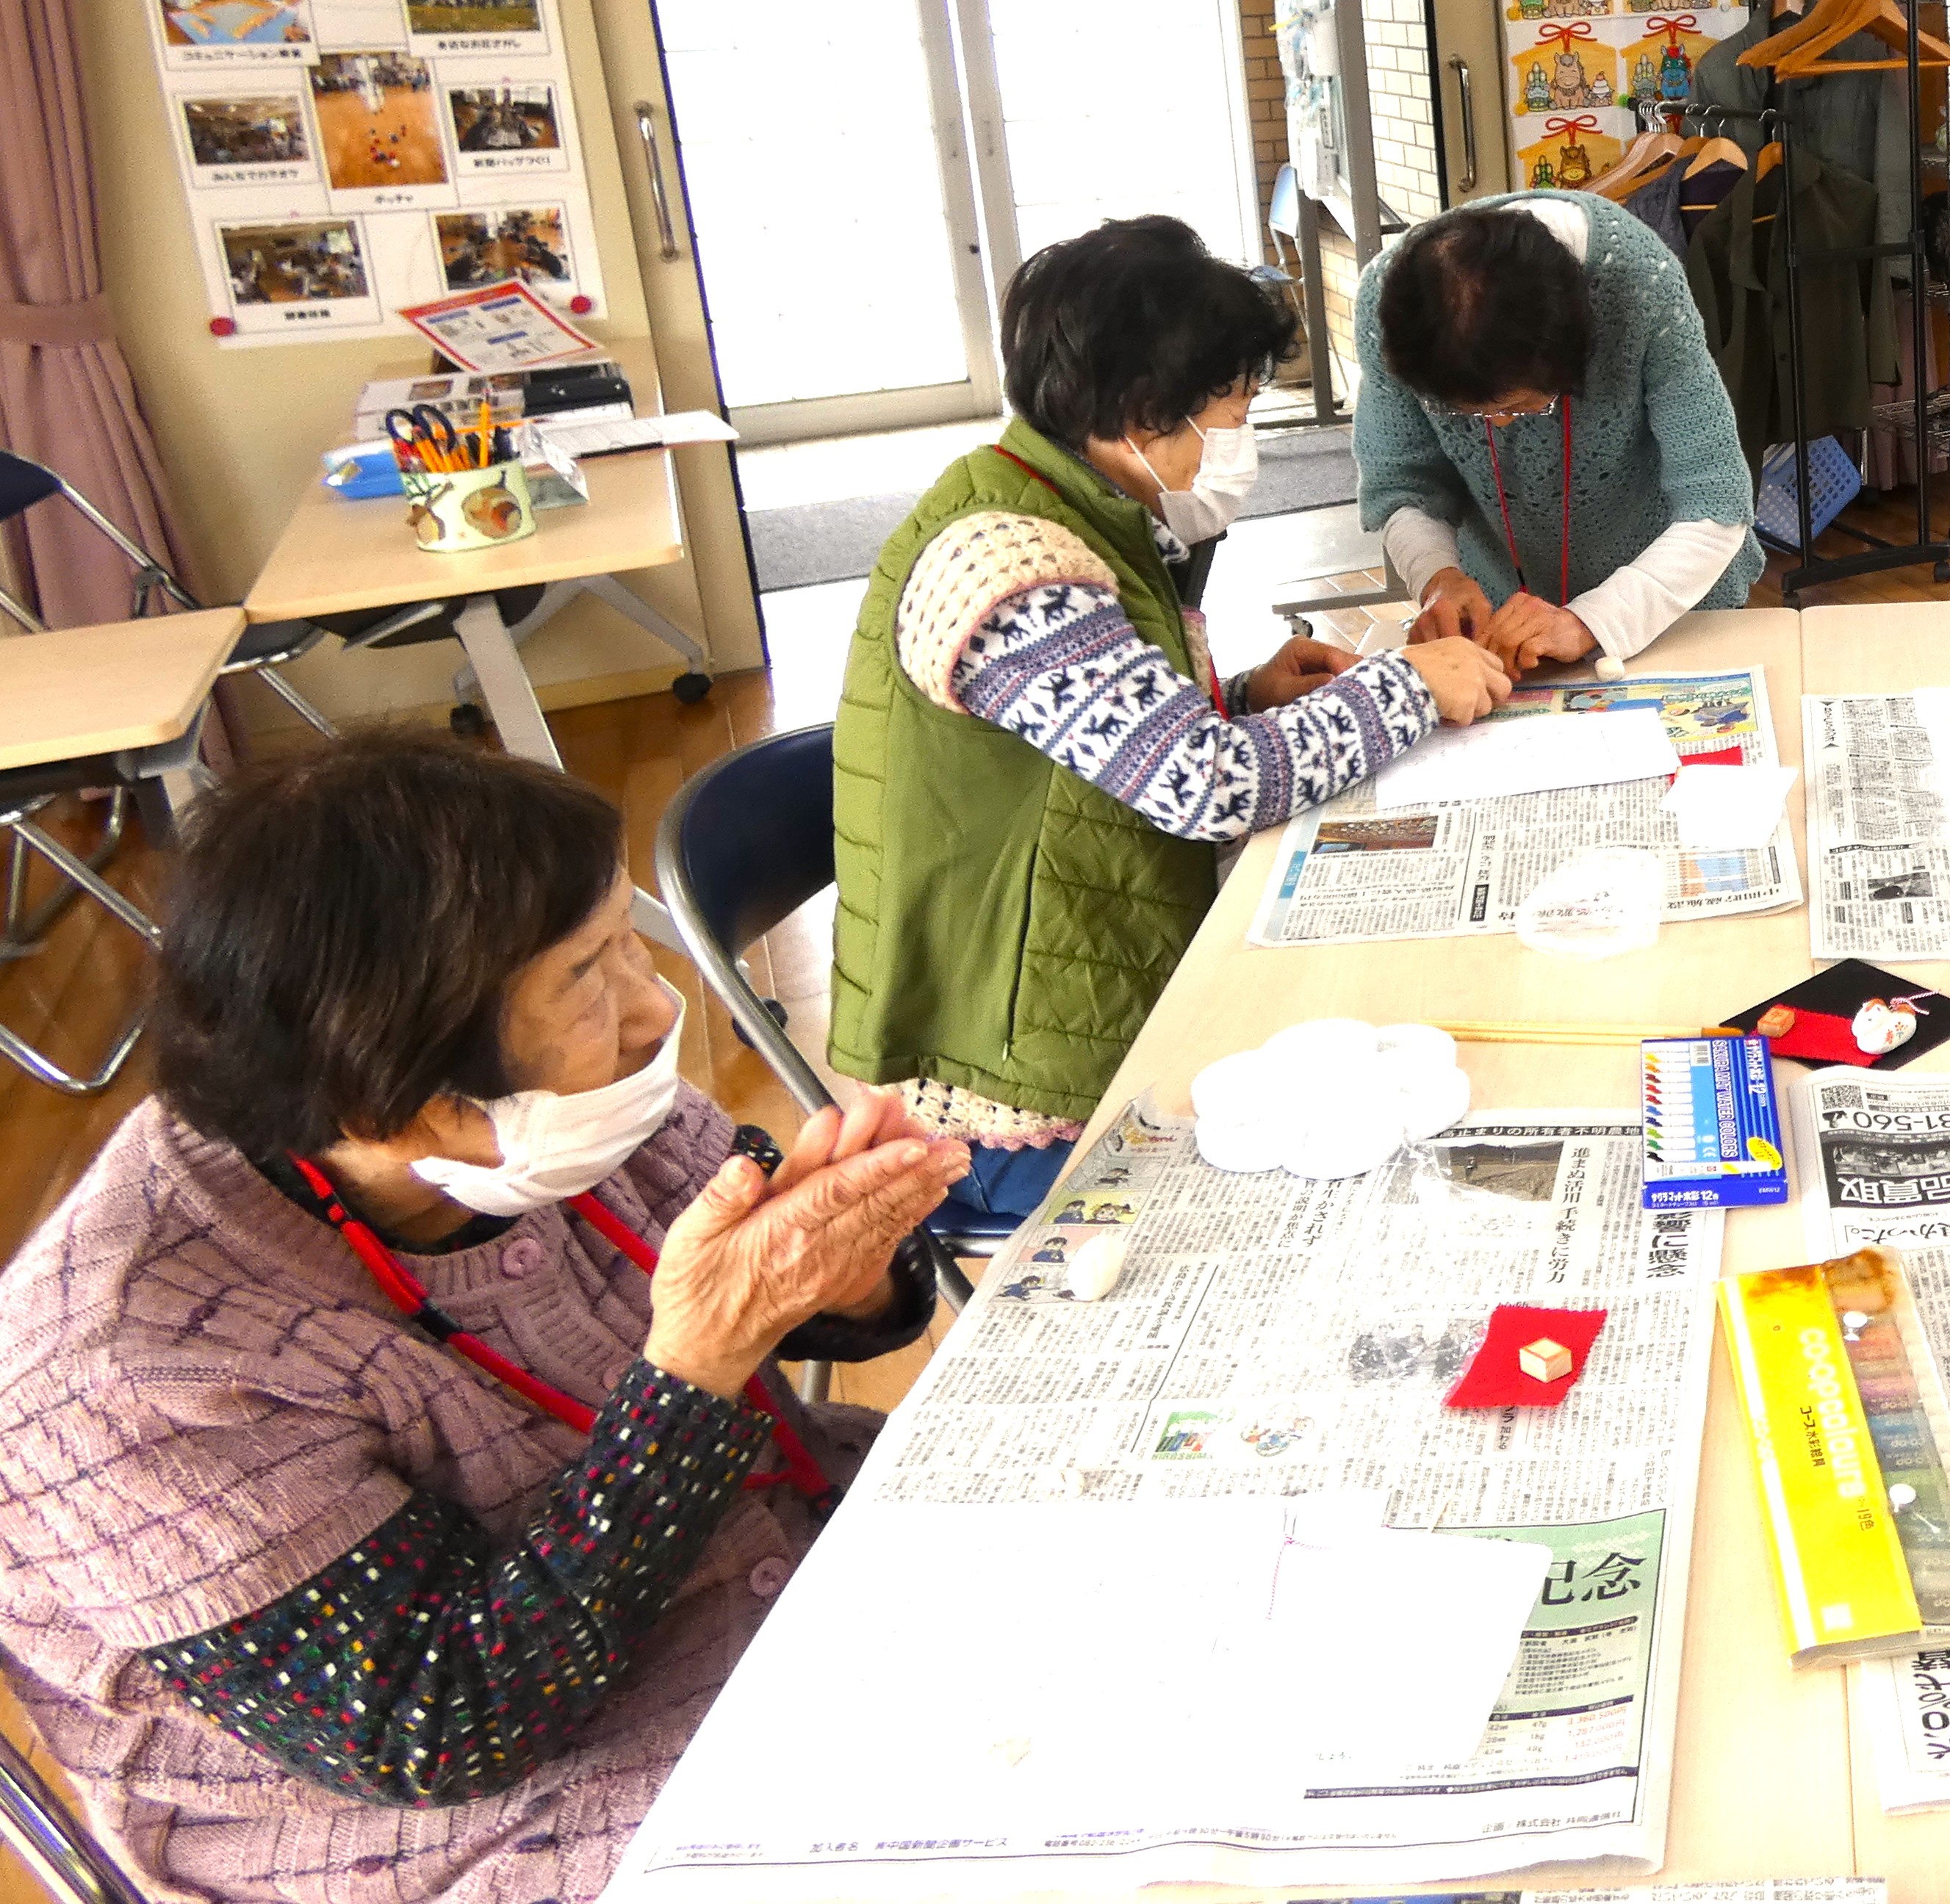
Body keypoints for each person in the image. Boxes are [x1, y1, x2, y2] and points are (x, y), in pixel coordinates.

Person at [0, 735, 970, 1903]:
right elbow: (446, 1724)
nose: (653, 1007)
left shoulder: (544, 1117)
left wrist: (845, 1269)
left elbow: (807, 1311)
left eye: (625, 940)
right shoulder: (118, 1372)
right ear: (394, 1100)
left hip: (779, 1571)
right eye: (587, 974)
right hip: (491, 1820)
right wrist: (698, 1364)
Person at [832, 217, 1508, 1216]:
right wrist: (1407, 686)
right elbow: (1203, 785)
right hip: (1006, 1096)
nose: (1242, 440)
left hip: (1076, 990)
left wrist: (1242, 698)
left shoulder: (1067, 503)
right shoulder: (1007, 568)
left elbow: (1101, 742)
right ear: (1144, 416)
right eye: (1234, 411)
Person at [1356, 189, 1760, 677]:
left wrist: (1592, 621)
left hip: (1667, 599)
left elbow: (1716, 503)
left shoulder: (1637, 283)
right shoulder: (1393, 309)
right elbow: (1401, 484)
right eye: (1465, 413)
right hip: (1505, 623)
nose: (1500, 426)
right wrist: (1437, 577)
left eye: (1520, 406)